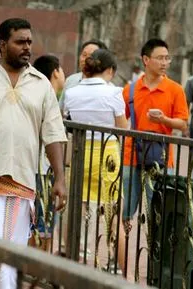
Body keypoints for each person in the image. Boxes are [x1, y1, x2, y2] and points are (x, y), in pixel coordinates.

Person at [0, 18, 68, 289]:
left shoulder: (41, 83)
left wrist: (59, 178)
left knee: (10, 258)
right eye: (20, 42)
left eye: (29, 42)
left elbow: (54, 133)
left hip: (22, 182)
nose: (27, 47)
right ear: (2, 44)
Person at [118, 39, 189, 281]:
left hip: (160, 159)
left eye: (167, 58)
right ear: (146, 60)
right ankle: (122, 268)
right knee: (125, 213)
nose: (165, 62)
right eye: (160, 57)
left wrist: (164, 121)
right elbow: (119, 117)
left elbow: (183, 124)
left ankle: (156, 272)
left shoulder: (175, 89)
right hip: (130, 156)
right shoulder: (130, 88)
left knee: (159, 215)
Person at [64, 49, 128, 261]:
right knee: (113, 216)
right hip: (107, 153)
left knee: (77, 213)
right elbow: (123, 128)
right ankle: (127, 276)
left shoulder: (72, 92)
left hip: (81, 151)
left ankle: (71, 263)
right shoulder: (113, 93)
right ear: (109, 70)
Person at [32, 54, 66, 251]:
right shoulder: (48, 97)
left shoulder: (36, 93)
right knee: (44, 224)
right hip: (43, 170)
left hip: (35, 167)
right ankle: (39, 272)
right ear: (55, 72)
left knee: (35, 222)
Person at [59, 39, 108, 117]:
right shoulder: (71, 80)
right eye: (84, 55)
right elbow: (60, 110)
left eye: (91, 56)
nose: (85, 60)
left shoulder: (109, 88)